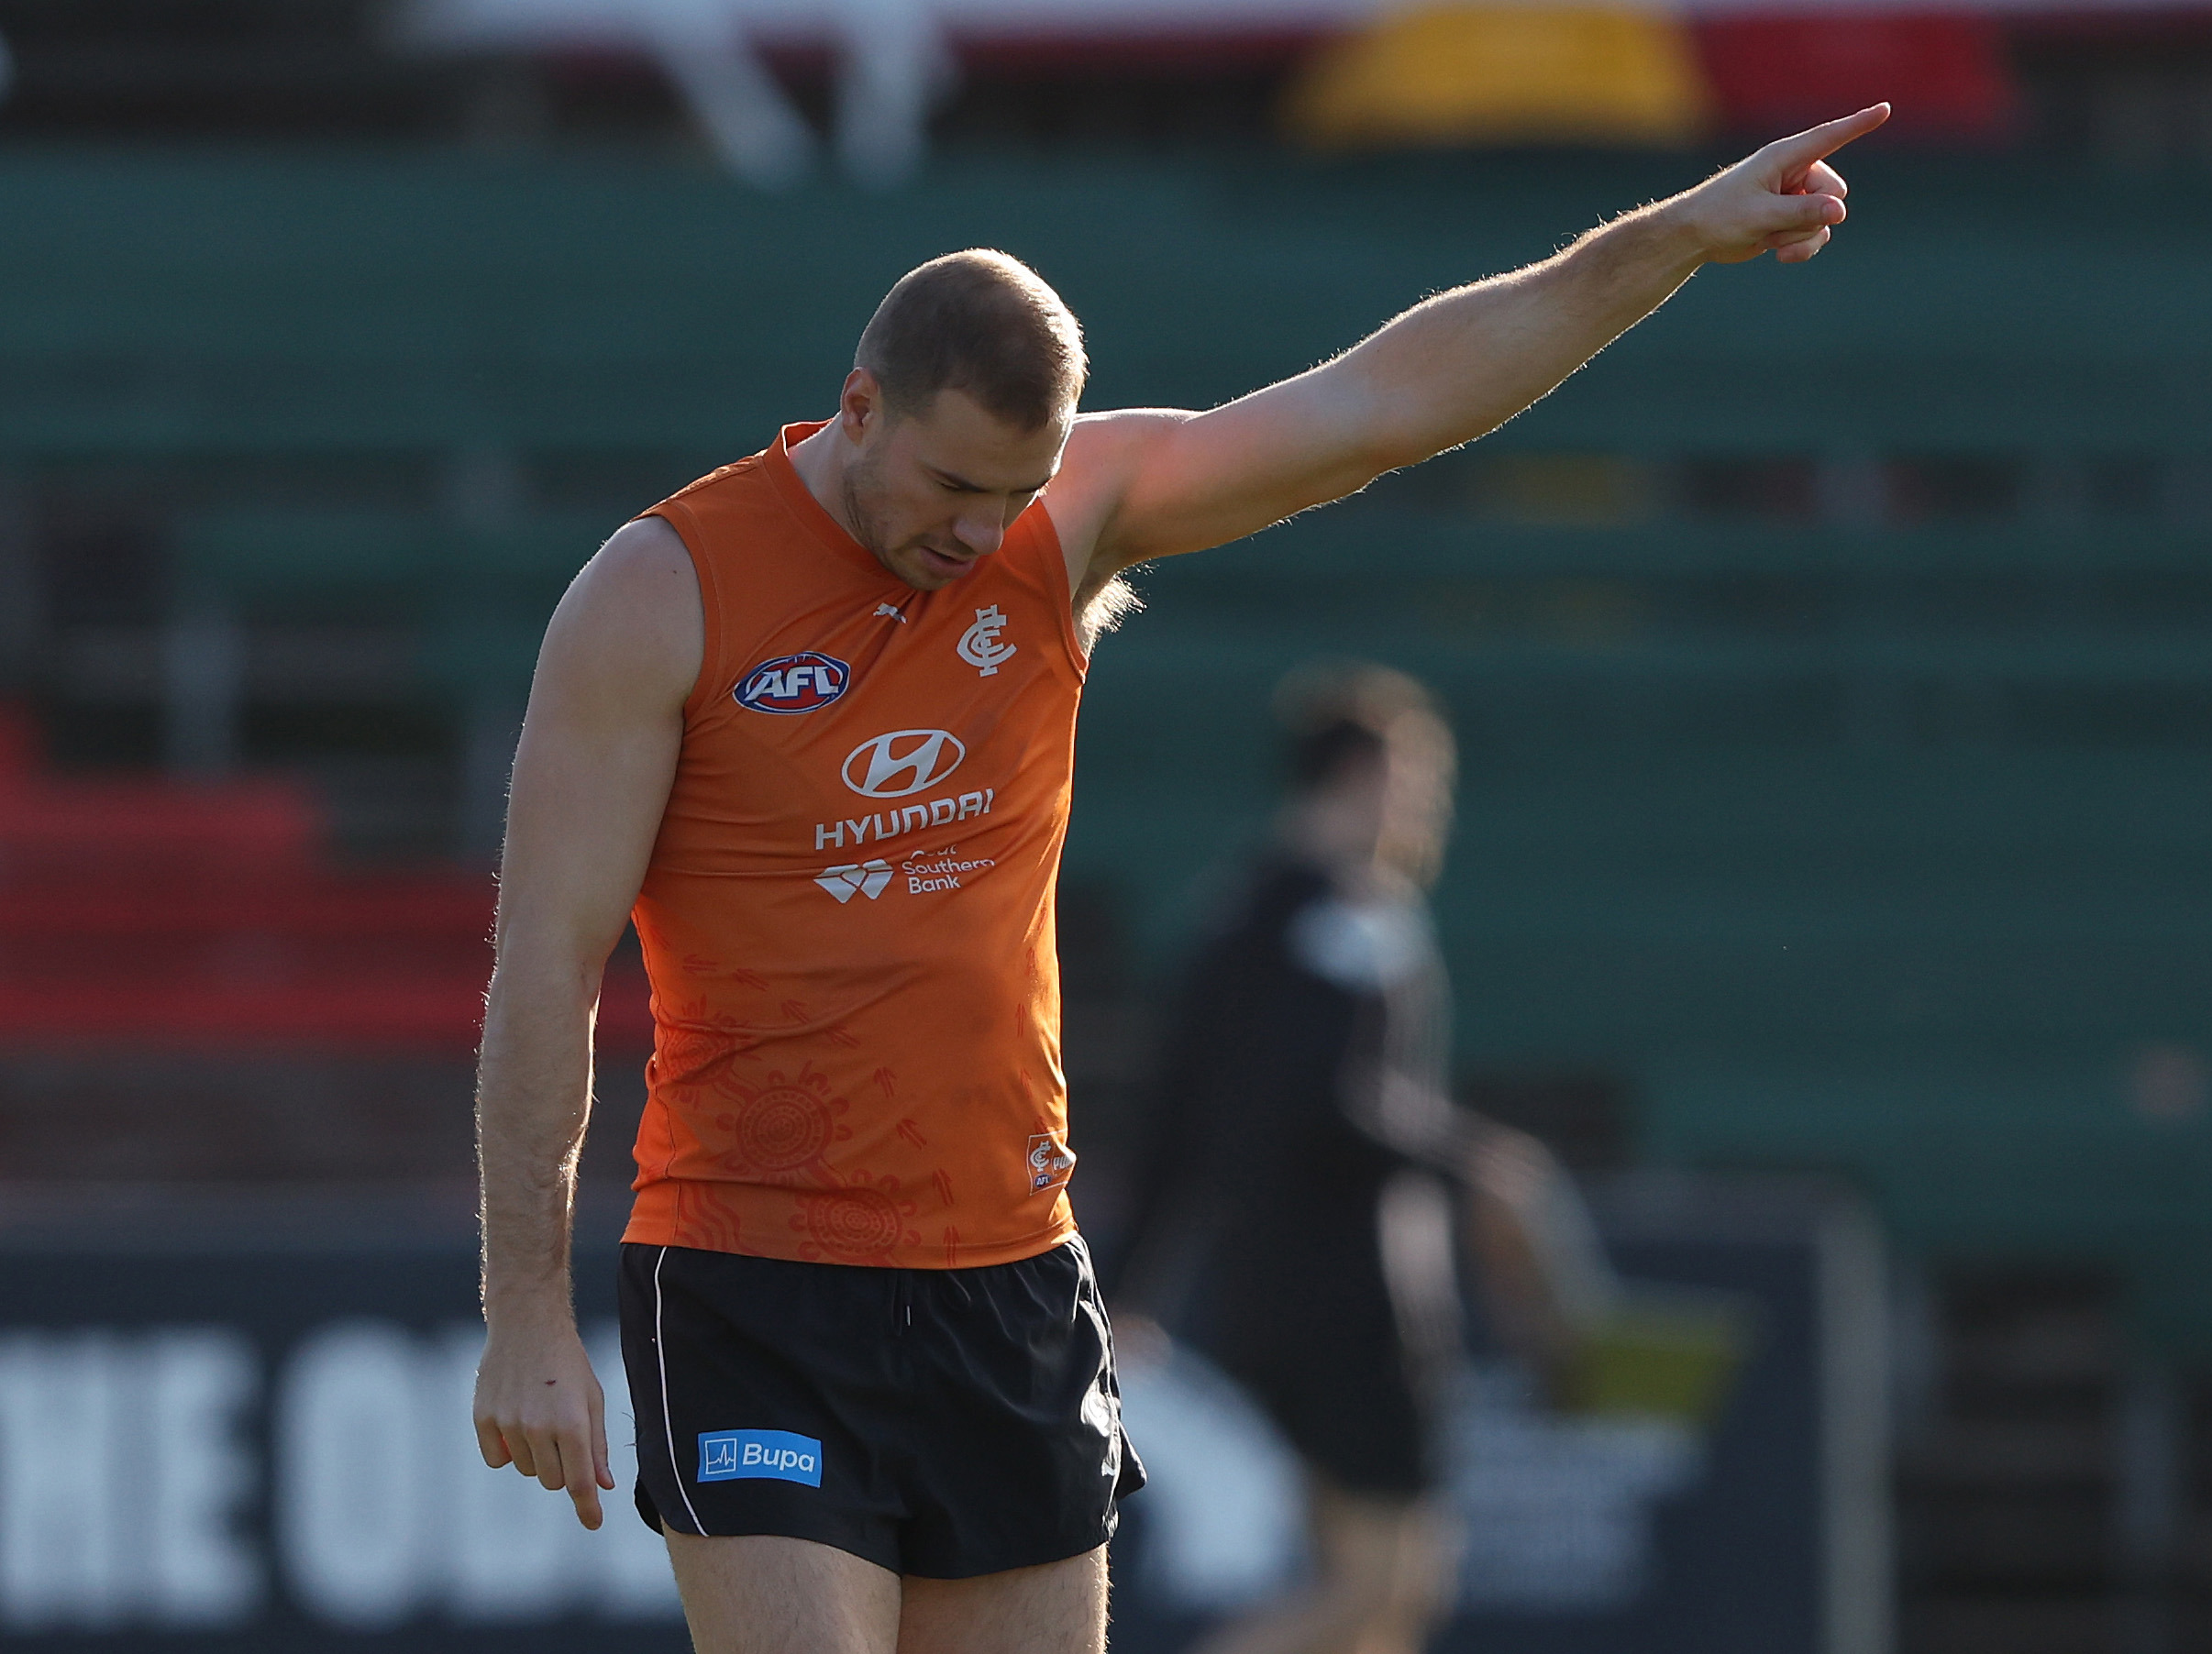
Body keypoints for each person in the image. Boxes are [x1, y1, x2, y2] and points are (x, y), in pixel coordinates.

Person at [470, 103, 1891, 1654]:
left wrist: (1670, 237)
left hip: (1005, 1276)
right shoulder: (661, 590)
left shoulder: (1060, 523)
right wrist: (528, 1312)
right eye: (948, 483)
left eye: (1009, 491)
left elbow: (1382, 404)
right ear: (857, 405)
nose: (977, 530)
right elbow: (547, 960)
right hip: (753, 1276)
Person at [1112, 664, 1620, 1654]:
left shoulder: (1231, 917)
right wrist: (1481, 1168)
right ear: (1361, 775)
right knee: (1384, 1581)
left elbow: (1175, 1124)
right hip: (1351, 1306)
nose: (1428, 806)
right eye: (1419, 781)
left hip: (1263, 1298)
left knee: (1370, 1601)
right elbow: (1333, 1104)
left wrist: (1135, 1283)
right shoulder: (1350, 918)